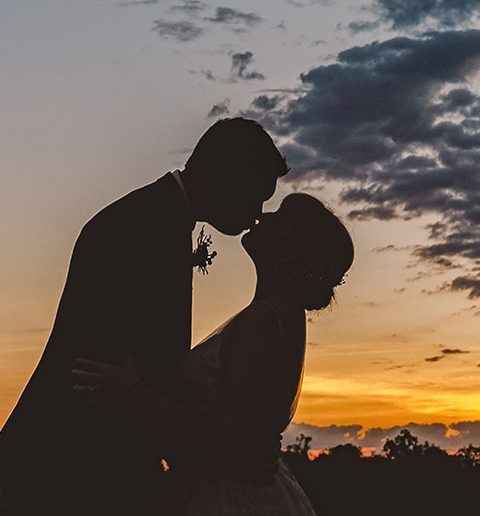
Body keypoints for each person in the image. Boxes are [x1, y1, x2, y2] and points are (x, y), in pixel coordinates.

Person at [0, 118, 288, 515]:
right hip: (73, 463)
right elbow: (133, 367)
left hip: (87, 458)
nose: (256, 214)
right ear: (222, 178)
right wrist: (218, 452)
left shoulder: (157, 217)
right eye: (254, 197)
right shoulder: (144, 228)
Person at [71, 192, 354, 516]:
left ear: (288, 254)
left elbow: (224, 438)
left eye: (278, 219)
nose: (263, 216)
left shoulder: (262, 320)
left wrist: (129, 392)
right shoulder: (285, 317)